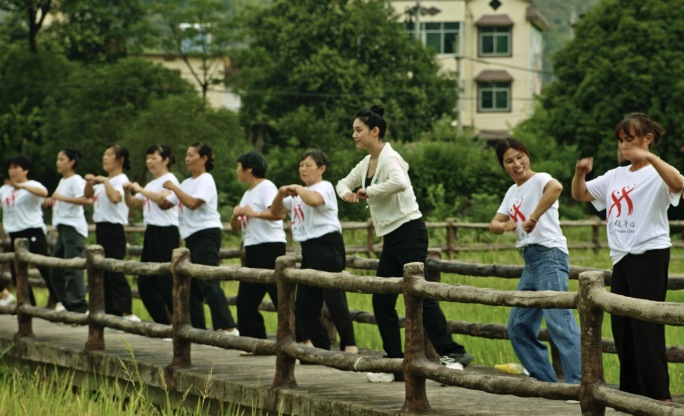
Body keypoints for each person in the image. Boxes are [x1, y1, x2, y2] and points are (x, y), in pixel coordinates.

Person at [336, 104, 472, 383]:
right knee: (382, 299)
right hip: (392, 237)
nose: (354, 135)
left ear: (375, 131)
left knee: (419, 294)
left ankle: (453, 353)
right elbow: (341, 183)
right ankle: (395, 361)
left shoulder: (390, 158)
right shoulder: (366, 164)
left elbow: (400, 182)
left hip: (409, 231)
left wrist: (368, 191)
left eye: (358, 130)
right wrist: (348, 194)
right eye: (353, 130)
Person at [572, 113, 683, 401]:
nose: (624, 146)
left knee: (646, 327)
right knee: (623, 328)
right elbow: (581, 194)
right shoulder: (614, 175)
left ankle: (659, 397)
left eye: (630, 139)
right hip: (621, 257)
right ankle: (632, 394)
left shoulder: (657, 172)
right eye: (621, 141)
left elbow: (678, 184)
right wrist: (580, 173)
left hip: (650, 253)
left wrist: (650, 157)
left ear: (648, 139)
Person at [488, 138, 581, 384]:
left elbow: (557, 188)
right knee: (518, 325)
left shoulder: (540, 179)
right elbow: (493, 223)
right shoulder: (512, 192)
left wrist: (534, 217)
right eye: (509, 161)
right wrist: (503, 225)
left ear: (527, 155)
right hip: (530, 260)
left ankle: (580, 384)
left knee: (559, 322)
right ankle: (546, 383)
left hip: (549, 254)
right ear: (504, 166)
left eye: (520, 157)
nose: (517, 164)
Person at [271, 150, 358, 353]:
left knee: (334, 297)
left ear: (321, 169)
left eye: (308, 165)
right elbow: (276, 212)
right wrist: (280, 192)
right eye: (301, 165)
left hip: (328, 244)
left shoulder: (324, 187)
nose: (303, 168)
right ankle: (322, 347)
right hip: (309, 248)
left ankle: (349, 345)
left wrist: (297, 188)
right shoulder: (297, 194)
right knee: (303, 305)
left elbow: (314, 200)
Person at [160, 142, 238, 335]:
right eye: (186, 155)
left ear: (203, 159)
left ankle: (227, 327)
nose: (187, 158)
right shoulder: (186, 183)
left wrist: (173, 188)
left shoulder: (206, 179)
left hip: (207, 234)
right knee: (192, 286)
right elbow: (164, 205)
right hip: (191, 237)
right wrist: (162, 194)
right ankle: (197, 330)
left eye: (191, 154)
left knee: (208, 280)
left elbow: (193, 203)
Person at [230, 151, 286, 339]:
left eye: (239, 167)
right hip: (252, 248)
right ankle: (255, 342)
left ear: (249, 169)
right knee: (245, 301)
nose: (237, 171)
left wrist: (253, 213)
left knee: (281, 299)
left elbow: (279, 214)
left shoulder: (267, 187)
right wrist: (235, 215)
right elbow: (235, 227)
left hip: (270, 247)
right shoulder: (247, 194)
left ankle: (300, 340)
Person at [123, 144, 180, 324]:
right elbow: (133, 203)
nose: (149, 162)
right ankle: (164, 323)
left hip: (166, 232)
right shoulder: (151, 183)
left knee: (165, 281)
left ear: (166, 160)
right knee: (145, 283)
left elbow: (163, 199)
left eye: (154, 158)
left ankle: (178, 324)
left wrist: (139, 189)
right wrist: (127, 191)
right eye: (148, 158)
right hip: (151, 232)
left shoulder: (169, 179)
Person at [84, 144, 139, 321]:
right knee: (103, 271)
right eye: (104, 154)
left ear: (120, 160)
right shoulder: (104, 182)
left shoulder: (121, 179)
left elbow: (116, 198)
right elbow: (87, 195)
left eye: (109, 155)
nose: (104, 158)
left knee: (115, 269)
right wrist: (90, 182)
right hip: (101, 228)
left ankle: (126, 310)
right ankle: (109, 310)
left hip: (114, 229)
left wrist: (105, 182)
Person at [0, 155, 57, 307]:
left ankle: (59, 301)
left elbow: (43, 193)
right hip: (14, 234)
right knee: (17, 272)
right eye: (10, 168)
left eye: (16, 168)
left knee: (44, 267)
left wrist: (21, 186)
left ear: (25, 170)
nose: (12, 171)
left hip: (32, 231)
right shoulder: (5, 189)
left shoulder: (32, 185)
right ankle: (27, 304)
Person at [47, 148, 91, 313]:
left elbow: (87, 200)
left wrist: (61, 198)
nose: (58, 162)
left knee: (73, 268)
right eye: (58, 159)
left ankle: (79, 307)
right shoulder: (63, 181)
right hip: (63, 228)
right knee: (55, 270)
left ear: (72, 162)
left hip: (73, 228)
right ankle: (69, 305)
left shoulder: (76, 180)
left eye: (62, 159)